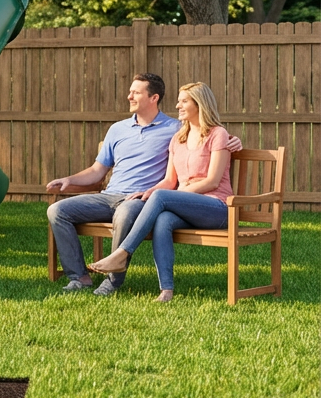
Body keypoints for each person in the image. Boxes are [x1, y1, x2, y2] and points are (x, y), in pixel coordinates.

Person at [46, 73, 240, 296]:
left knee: (131, 209)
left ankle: (115, 273)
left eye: (136, 92)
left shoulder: (175, 128)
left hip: (155, 201)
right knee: (57, 210)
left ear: (153, 97)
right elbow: (99, 170)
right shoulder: (136, 132)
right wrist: (69, 181)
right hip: (119, 195)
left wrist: (233, 141)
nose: (129, 96)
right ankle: (81, 277)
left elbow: (210, 144)